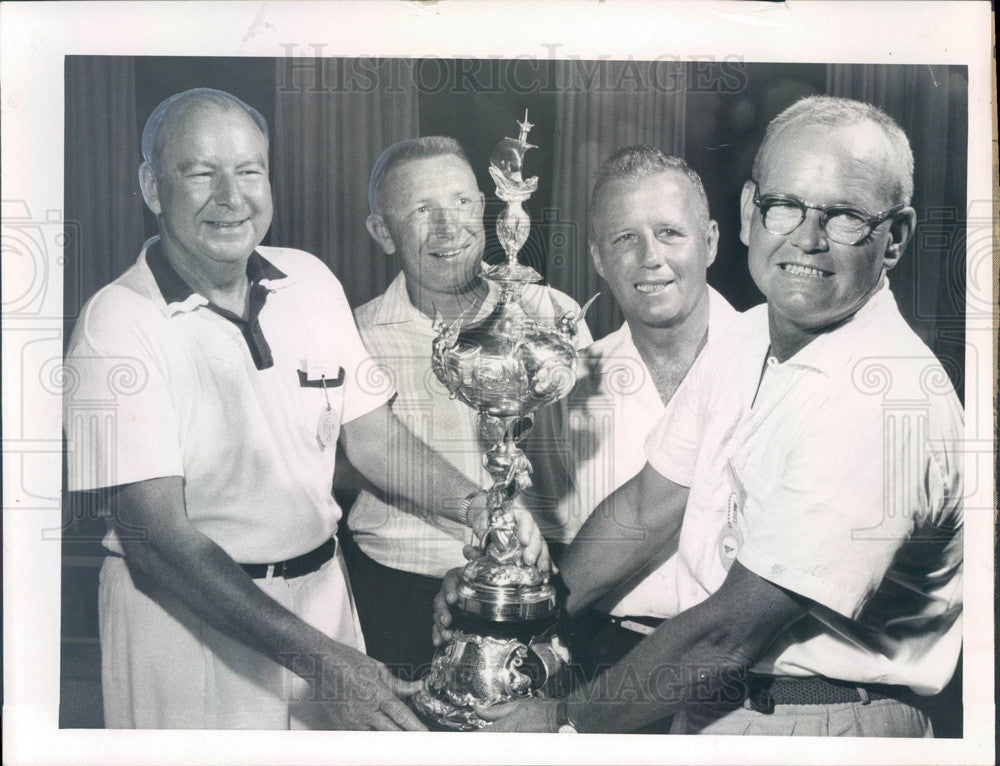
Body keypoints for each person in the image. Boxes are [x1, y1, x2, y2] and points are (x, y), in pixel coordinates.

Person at [435, 96, 963, 736]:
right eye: (785, 207)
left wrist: (561, 723)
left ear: (896, 237)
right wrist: (519, 614)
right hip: (714, 705)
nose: (807, 238)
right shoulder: (747, 342)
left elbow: (729, 633)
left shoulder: (877, 394)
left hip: (819, 719)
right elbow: (646, 508)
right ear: (748, 214)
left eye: (847, 216)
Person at [63, 89, 547, 730]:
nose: (231, 197)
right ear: (154, 186)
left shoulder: (311, 281)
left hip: (322, 604)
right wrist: (322, 661)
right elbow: (158, 538)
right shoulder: (113, 323)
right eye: (201, 173)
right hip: (185, 626)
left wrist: (475, 505)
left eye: (249, 171)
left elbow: (372, 438)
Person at [342, 136, 591, 678]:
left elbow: (590, 462)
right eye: (420, 211)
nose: (449, 227)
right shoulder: (353, 336)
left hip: (536, 590)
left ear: (484, 207)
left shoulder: (552, 315)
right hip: (399, 596)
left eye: (460, 202)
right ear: (383, 232)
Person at [545, 147, 739, 680]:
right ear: (598, 260)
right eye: (624, 239)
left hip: (750, 669)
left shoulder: (775, 361)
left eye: (670, 232)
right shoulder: (566, 384)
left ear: (711, 241)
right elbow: (544, 546)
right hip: (605, 655)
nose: (650, 256)